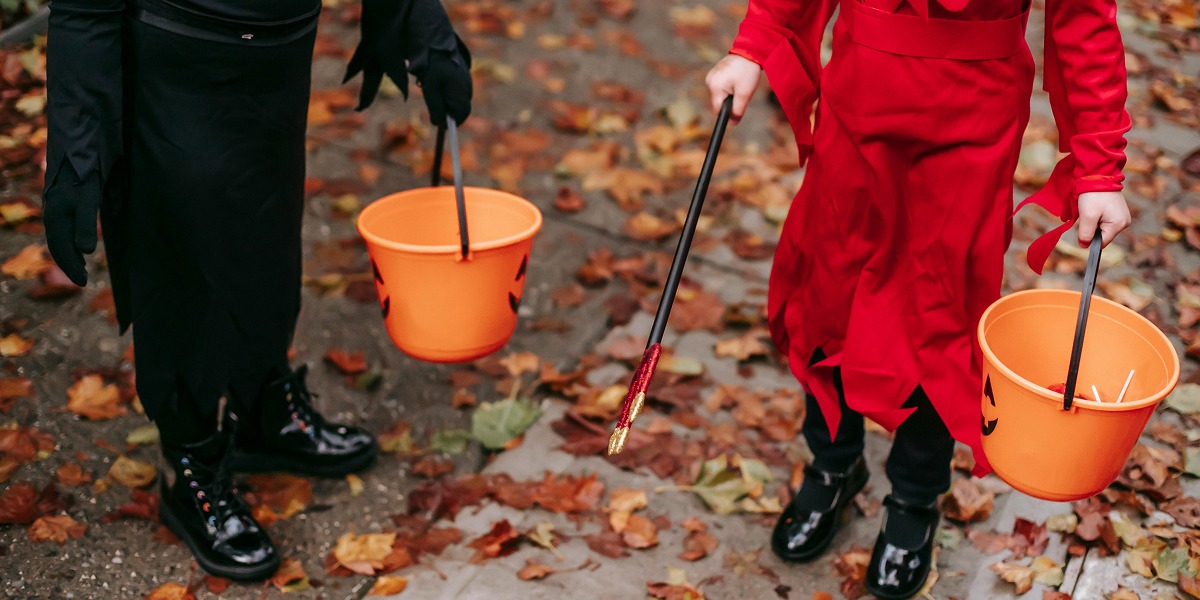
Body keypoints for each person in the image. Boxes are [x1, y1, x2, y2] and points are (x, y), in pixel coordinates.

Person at [705, 0, 1131, 597]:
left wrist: (1099, 168)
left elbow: (1083, 17)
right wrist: (756, 42)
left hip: (975, 115)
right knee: (831, 289)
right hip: (860, 94)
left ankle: (914, 497)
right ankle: (833, 464)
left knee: (942, 316)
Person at [42, 0, 472, 581]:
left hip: (279, 46)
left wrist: (418, 18)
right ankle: (186, 455)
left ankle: (262, 405)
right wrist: (77, 135)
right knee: (181, 254)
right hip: (176, 56)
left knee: (267, 230)